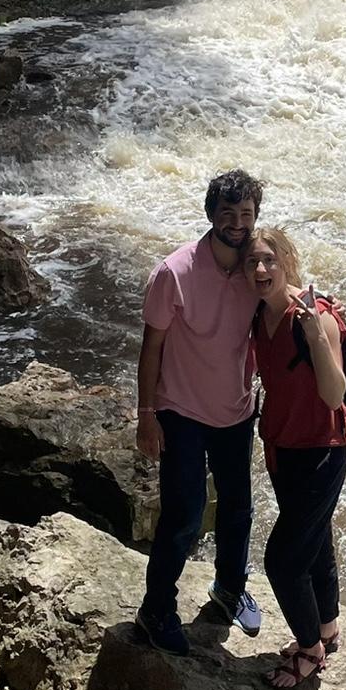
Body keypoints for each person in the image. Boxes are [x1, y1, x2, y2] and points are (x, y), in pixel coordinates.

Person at [134, 169, 266, 656]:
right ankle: (156, 609)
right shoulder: (176, 271)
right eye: (228, 213)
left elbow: (278, 323)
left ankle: (229, 589)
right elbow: (152, 348)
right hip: (181, 410)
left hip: (236, 410)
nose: (237, 222)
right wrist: (146, 415)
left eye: (246, 214)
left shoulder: (259, 269)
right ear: (211, 215)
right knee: (185, 514)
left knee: (237, 509)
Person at [245, 227, 346, 690]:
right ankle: (327, 628)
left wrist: (315, 335)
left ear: (287, 261)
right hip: (283, 448)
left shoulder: (314, 318)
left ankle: (309, 649)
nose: (261, 269)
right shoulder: (257, 314)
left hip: (322, 452)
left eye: (269, 260)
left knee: (283, 562)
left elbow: (334, 396)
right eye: (252, 262)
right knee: (316, 542)